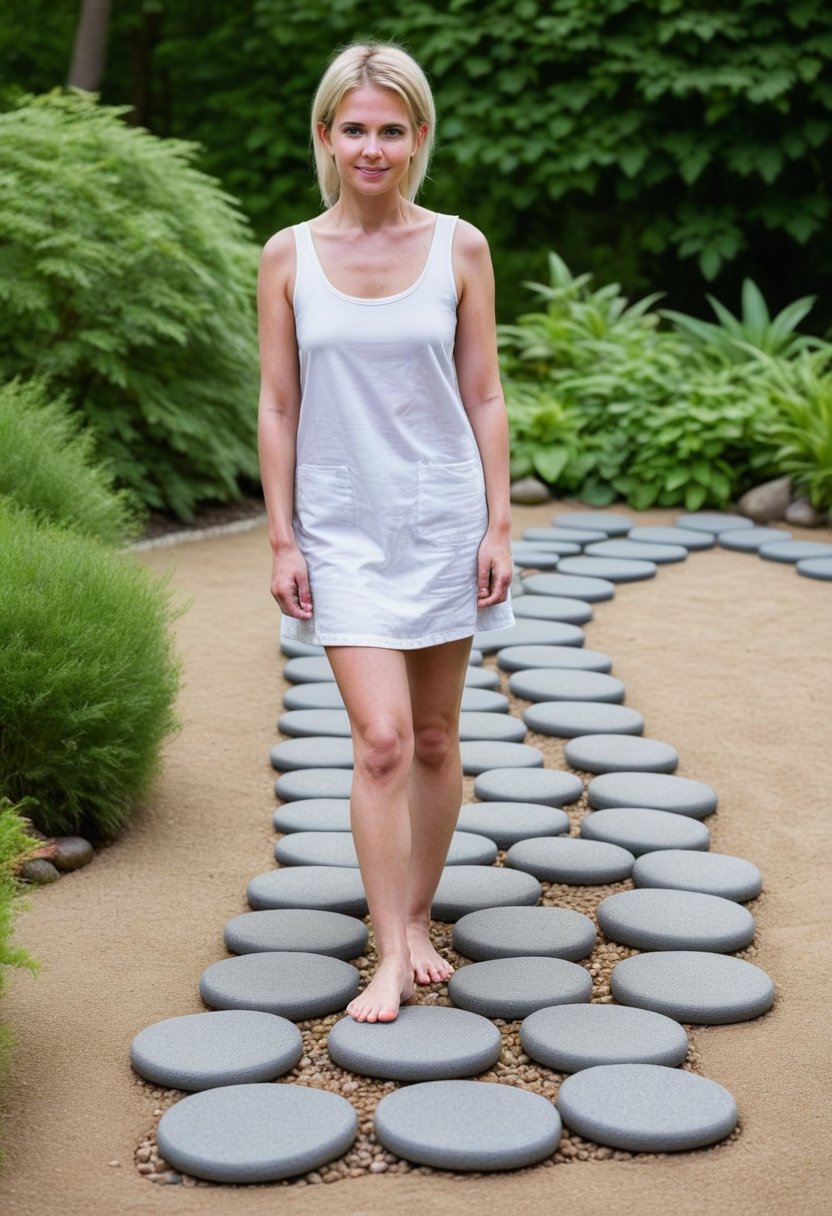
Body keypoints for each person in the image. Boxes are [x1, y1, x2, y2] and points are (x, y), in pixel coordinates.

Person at [257, 41, 514, 1023]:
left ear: (417, 138)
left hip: (442, 517)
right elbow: (277, 406)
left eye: (390, 130)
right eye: (354, 127)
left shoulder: (460, 246)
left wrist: (497, 521)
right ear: (327, 135)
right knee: (381, 739)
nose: (372, 146)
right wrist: (284, 538)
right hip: (342, 527)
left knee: (439, 738)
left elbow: (483, 392)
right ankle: (386, 952)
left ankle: (413, 916)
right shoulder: (287, 254)